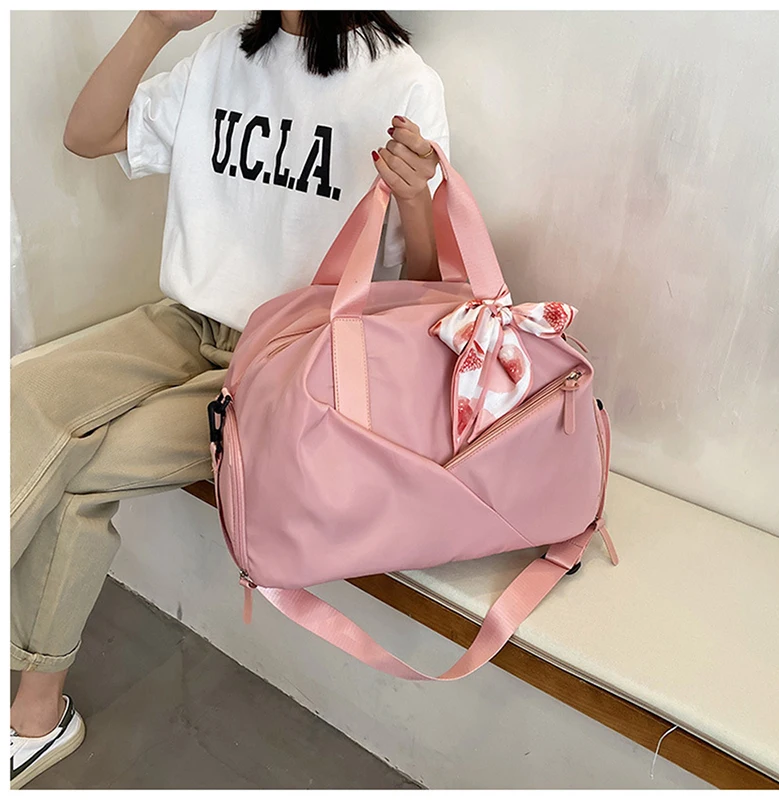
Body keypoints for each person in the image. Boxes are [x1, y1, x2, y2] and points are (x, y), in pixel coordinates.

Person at [10, 10, 449, 788]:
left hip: (287, 365)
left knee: (88, 466)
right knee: (23, 394)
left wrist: (416, 203)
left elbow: (423, 292)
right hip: (184, 322)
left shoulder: (402, 83)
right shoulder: (222, 56)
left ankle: (35, 718)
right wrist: (154, 22)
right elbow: (86, 135)